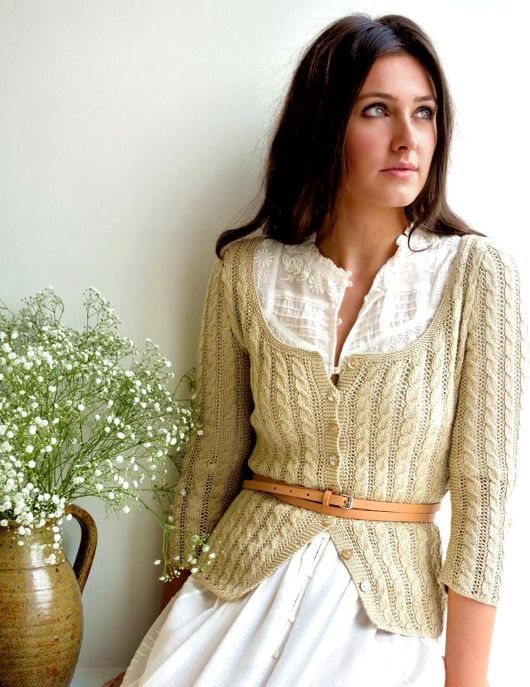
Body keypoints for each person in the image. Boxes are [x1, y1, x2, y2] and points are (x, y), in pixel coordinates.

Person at [103, 12, 528, 687]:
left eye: (424, 113)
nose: (407, 138)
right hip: (234, 594)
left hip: (381, 621)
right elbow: (211, 465)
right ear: (325, 124)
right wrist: (161, 639)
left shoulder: (476, 275)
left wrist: (467, 681)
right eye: (376, 110)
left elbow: (485, 500)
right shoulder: (245, 271)